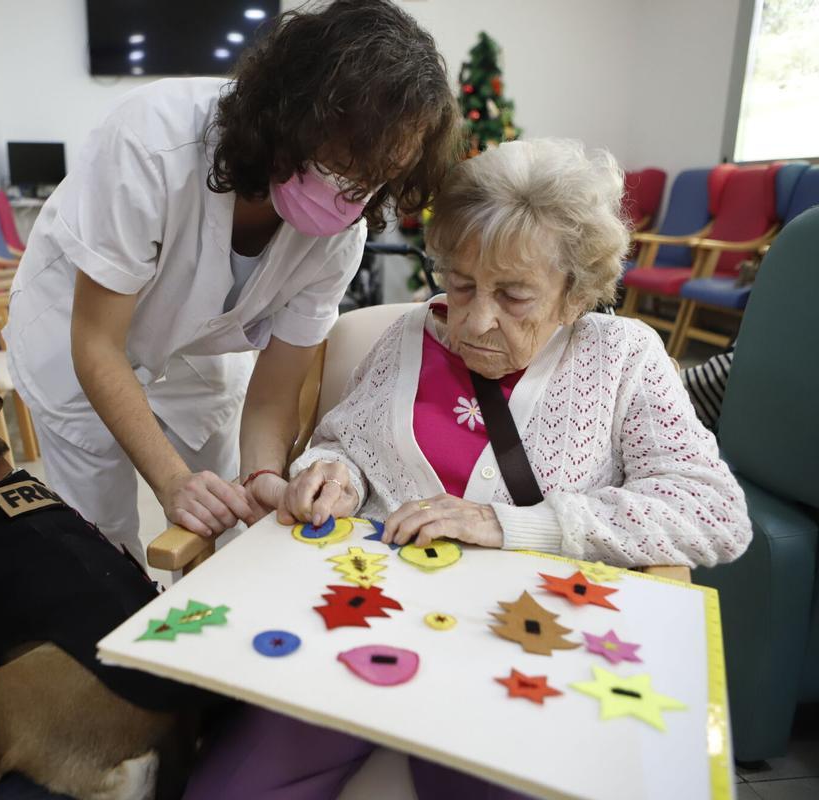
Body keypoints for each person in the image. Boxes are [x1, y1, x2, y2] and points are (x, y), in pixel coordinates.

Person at [186, 139, 753, 799]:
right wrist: (331, 472)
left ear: (576, 293)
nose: (475, 320)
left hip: (521, 647)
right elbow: (346, 442)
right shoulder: (408, 338)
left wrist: (511, 526)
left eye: (514, 295)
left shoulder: (624, 357)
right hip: (366, 620)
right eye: (461, 284)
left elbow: (712, 513)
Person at [3, 0, 459, 562]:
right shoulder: (151, 139)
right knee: (100, 536)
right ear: (291, 118)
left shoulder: (343, 233)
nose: (350, 196)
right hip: (75, 332)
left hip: (196, 346)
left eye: (375, 179)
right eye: (341, 166)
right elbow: (97, 345)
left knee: (227, 502)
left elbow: (273, 392)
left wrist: (264, 472)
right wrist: (170, 482)